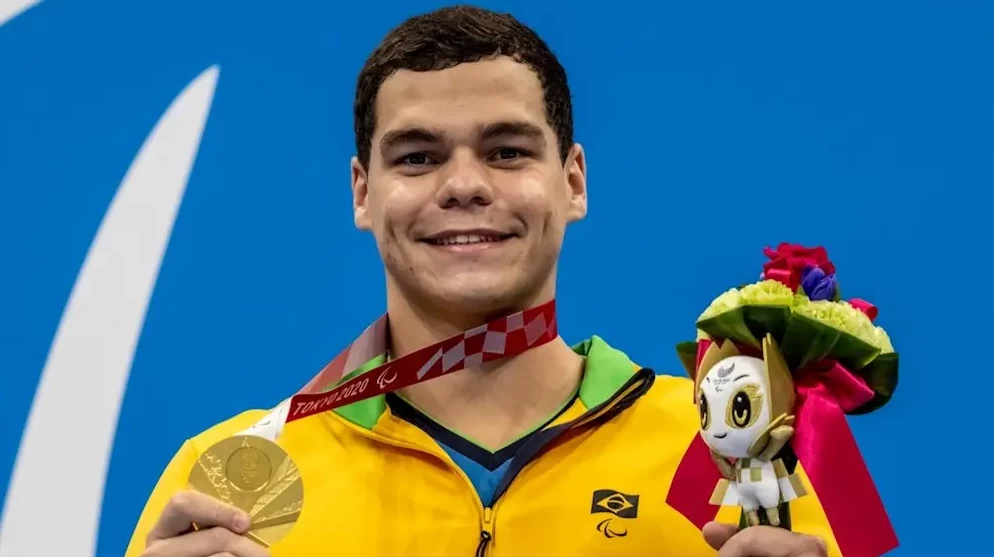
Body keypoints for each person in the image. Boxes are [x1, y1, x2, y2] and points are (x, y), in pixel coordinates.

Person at [126, 6, 837, 557]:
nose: (464, 184)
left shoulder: (731, 449)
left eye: (506, 150)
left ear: (573, 181)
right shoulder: (231, 477)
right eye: (417, 156)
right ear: (362, 194)